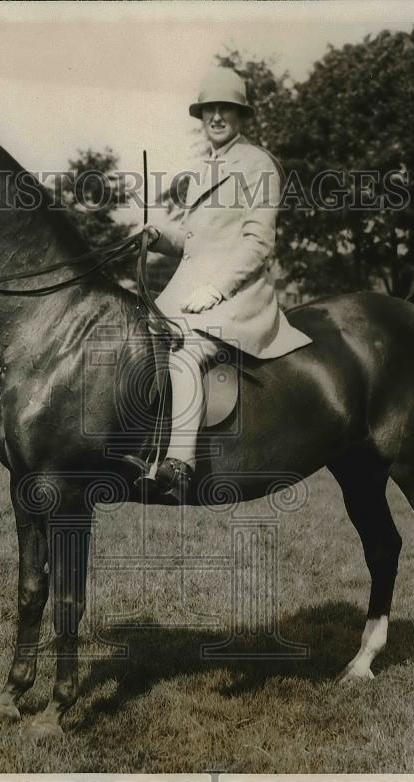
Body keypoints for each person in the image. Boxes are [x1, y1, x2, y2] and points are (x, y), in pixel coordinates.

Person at [138, 67, 312, 503]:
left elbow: (256, 245)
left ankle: (179, 466)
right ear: (201, 116)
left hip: (236, 297)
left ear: (241, 116)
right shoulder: (202, 169)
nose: (216, 117)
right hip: (189, 293)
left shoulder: (258, 165)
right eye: (209, 109)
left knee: (186, 355)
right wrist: (159, 238)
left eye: (226, 109)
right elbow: (197, 244)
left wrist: (216, 290)